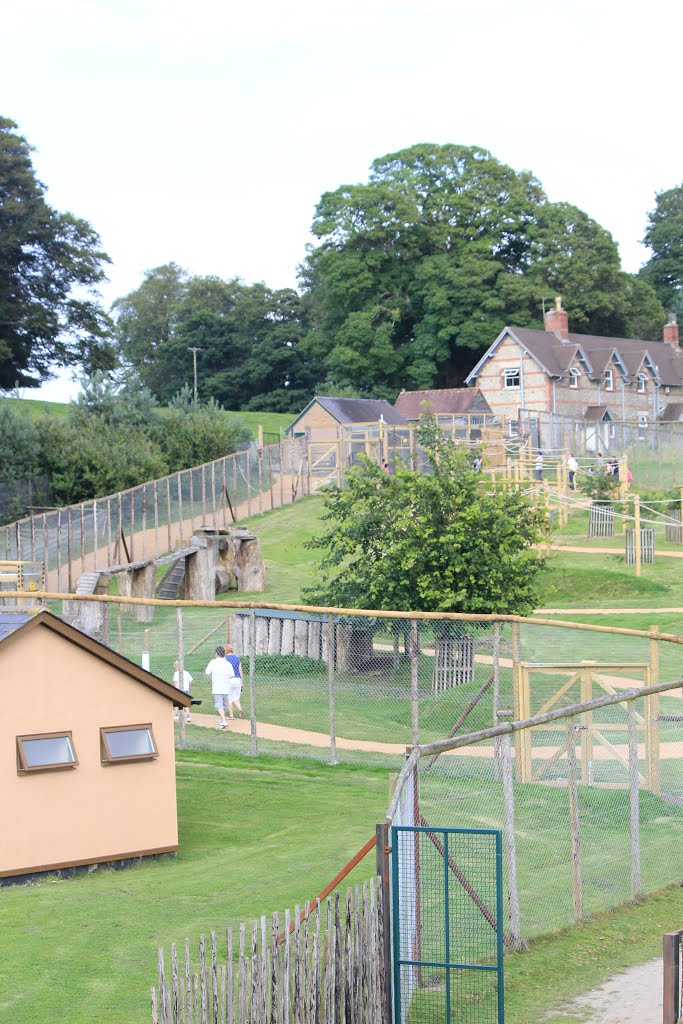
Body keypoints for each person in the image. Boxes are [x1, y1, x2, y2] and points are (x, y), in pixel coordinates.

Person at [204, 645, 235, 729]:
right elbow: (232, 675)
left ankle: (224, 721)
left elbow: (207, 672)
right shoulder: (227, 663)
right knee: (223, 705)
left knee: (219, 704)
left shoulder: (213, 662)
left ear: (217, 653)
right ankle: (222, 720)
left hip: (217, 687)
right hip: (226, 687)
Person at [224, 644, 244, 720]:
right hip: (237, 679)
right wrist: (242, 682)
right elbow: (240, 671)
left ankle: (231, 715)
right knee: (236, 698)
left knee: (229, 698)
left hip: (229, 679)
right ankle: (240, 709)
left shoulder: (225, 659)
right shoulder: (237, 659)